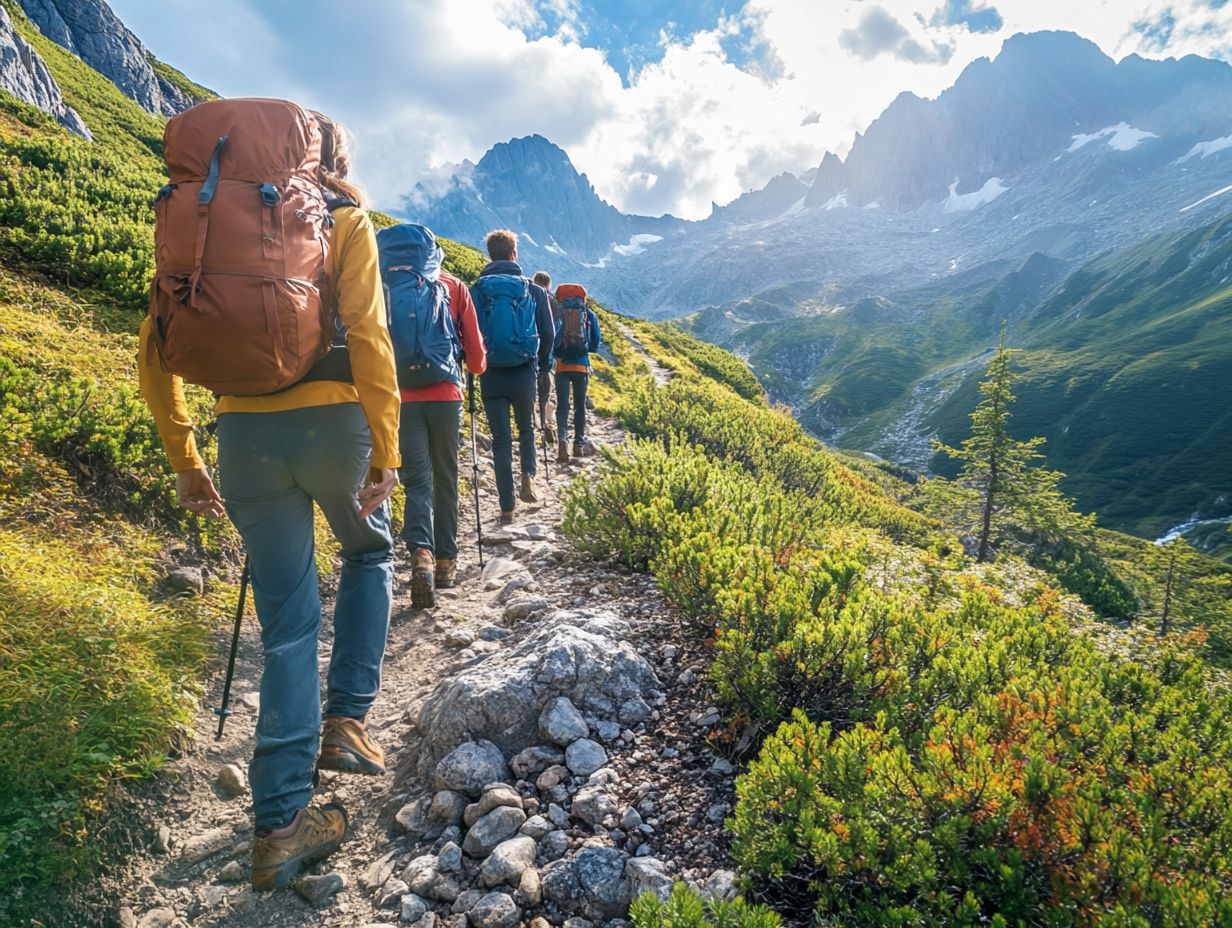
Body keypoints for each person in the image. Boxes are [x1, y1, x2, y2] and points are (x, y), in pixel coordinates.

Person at [139, 108, 400, 891]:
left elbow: (155, 342)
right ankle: (346, 721)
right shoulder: (344, 218)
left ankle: (279, 828)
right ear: (325, 154)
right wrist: (386, 449)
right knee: (369, 552)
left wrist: (186, 457)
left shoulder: (196, 218)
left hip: (244, 434)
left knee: (287, 626)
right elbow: (371, 333)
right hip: (337, 425)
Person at [397, 235, 487, 608]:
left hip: (399, 397)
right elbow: (478, 358)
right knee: (446, 476)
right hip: (445, 396)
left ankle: (421, 554)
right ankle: (447, 564)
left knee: (416, 479)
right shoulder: (453, 286)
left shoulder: (384, 285)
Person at [471, 230, 555, 523]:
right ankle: (528, 476)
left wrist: (473, 365)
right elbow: (547, 332)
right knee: (527, 429)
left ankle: (506, 504)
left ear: (490, 255)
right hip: (523, 370)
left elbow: (468, 332)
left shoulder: (478, 290)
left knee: (500, 439)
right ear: (514, 254)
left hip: (490, 371)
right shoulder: (534, 290)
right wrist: (542, 366)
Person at [553, 283, 602, 462]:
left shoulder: (558, 312)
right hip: (581, 366)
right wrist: (589, 350)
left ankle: (562, 441)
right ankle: (578, 444)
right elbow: (596, 338)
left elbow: (551, 334)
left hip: (561, 366)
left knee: (562, 406)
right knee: (579, 406)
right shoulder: (588, 314)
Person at [532, 271, 560, 445]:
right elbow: (554, 331)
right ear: (549, 285)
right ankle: (543, 424)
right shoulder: (554, 303)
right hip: (547, 356)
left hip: (528, 354)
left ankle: (531, 425)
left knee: (529, 393)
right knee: (544, 393)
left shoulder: (528, 296)